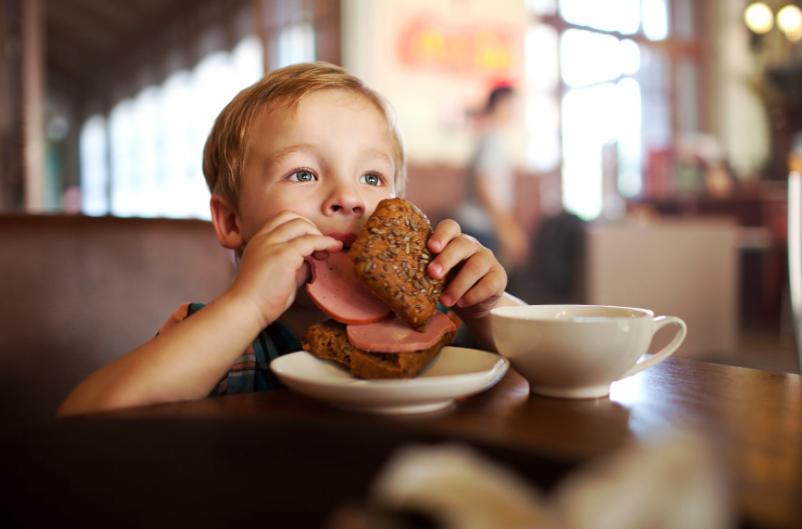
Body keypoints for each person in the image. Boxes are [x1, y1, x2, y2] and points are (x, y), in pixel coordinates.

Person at [58, 62, 526, 416]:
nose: (348, 198)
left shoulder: (436, 323)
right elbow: (89, 418)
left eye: (372, 177)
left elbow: (562, 379)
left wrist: (488, 309)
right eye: (302, 173)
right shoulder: (223, 337)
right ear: (232, 221)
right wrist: (247, 307)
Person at [456, 85, 528, 269]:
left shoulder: (490, 136)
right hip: (479, 227)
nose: (516, 111)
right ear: (501, 104)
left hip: (481, 226)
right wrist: (507, 228)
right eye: (513, 104)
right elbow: (484, 185)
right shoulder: (492, 139)